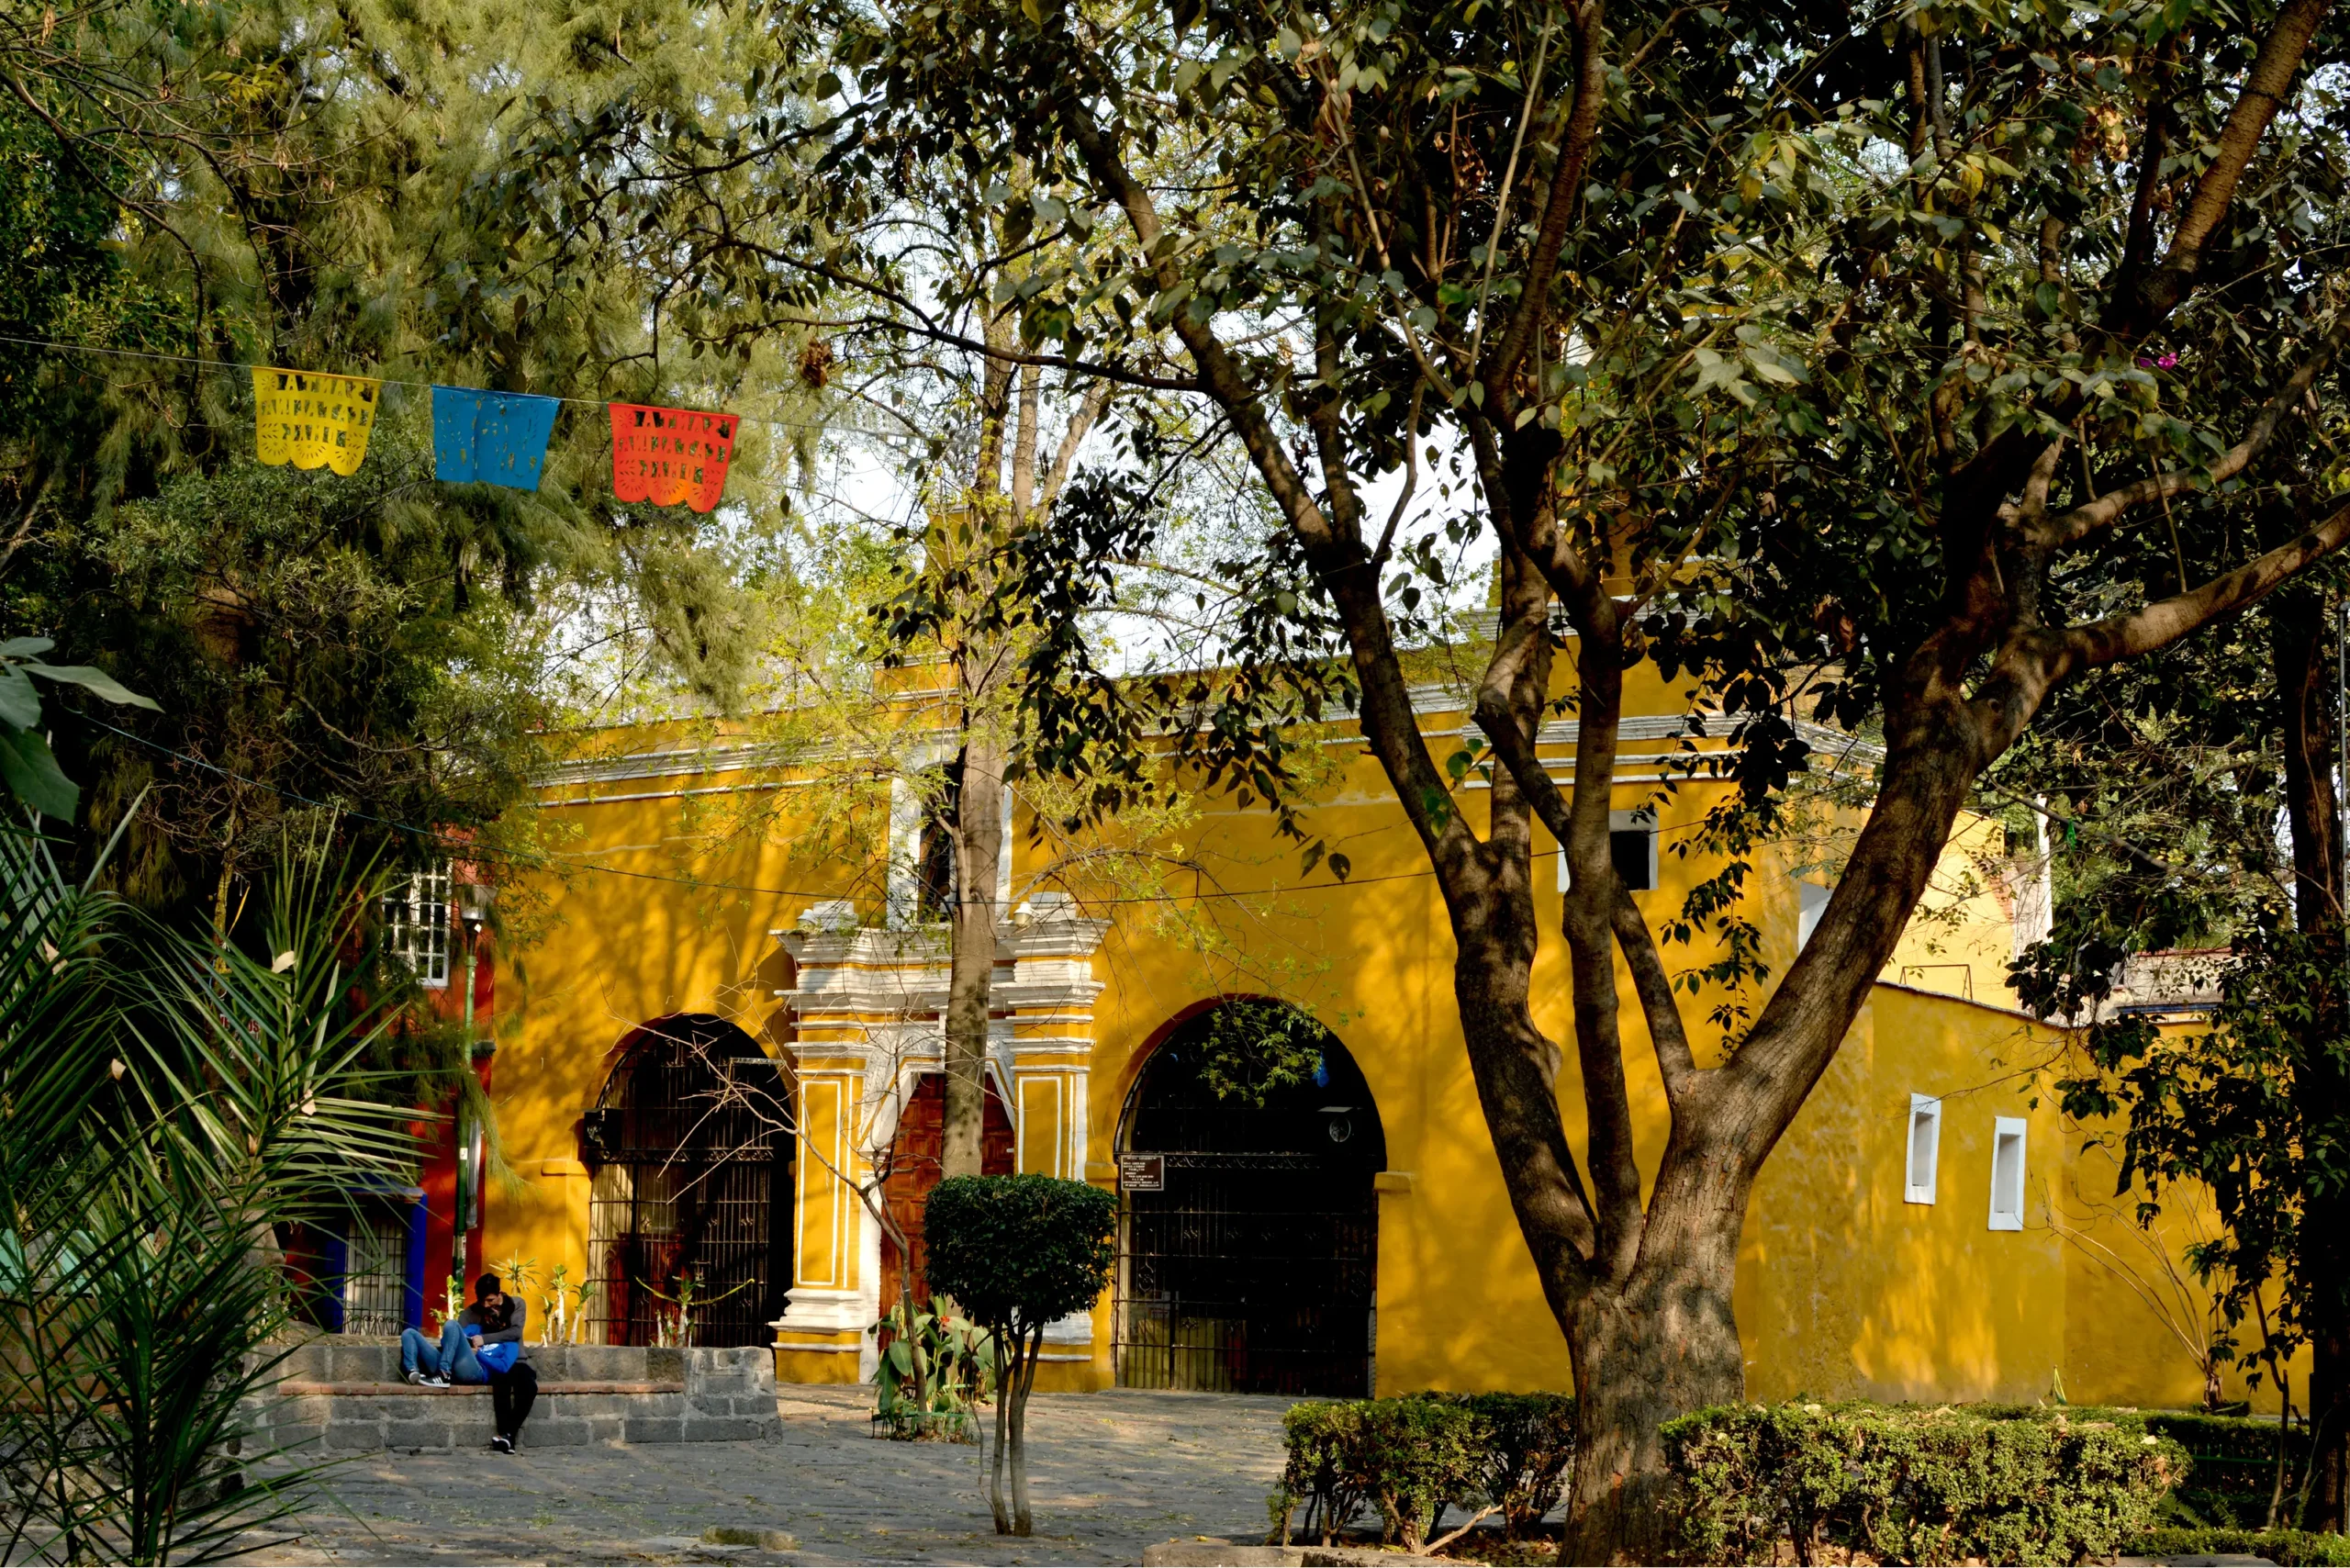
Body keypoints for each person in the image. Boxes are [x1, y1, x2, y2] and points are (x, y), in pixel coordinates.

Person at [398, 1272, 535, 1450]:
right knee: (501, 1383)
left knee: (528, 1386)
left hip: (514, 1362)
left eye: (491, 1301)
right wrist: (465, 1344)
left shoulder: (516, 1305)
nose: (487, 1307)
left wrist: (483, 1341)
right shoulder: (472, 1314)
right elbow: (452, 1337)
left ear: (499, 1294)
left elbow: (515, 1333)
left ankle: (508, 1433)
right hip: (473, 1363)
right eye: (483, 1303)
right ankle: (429, 1372)